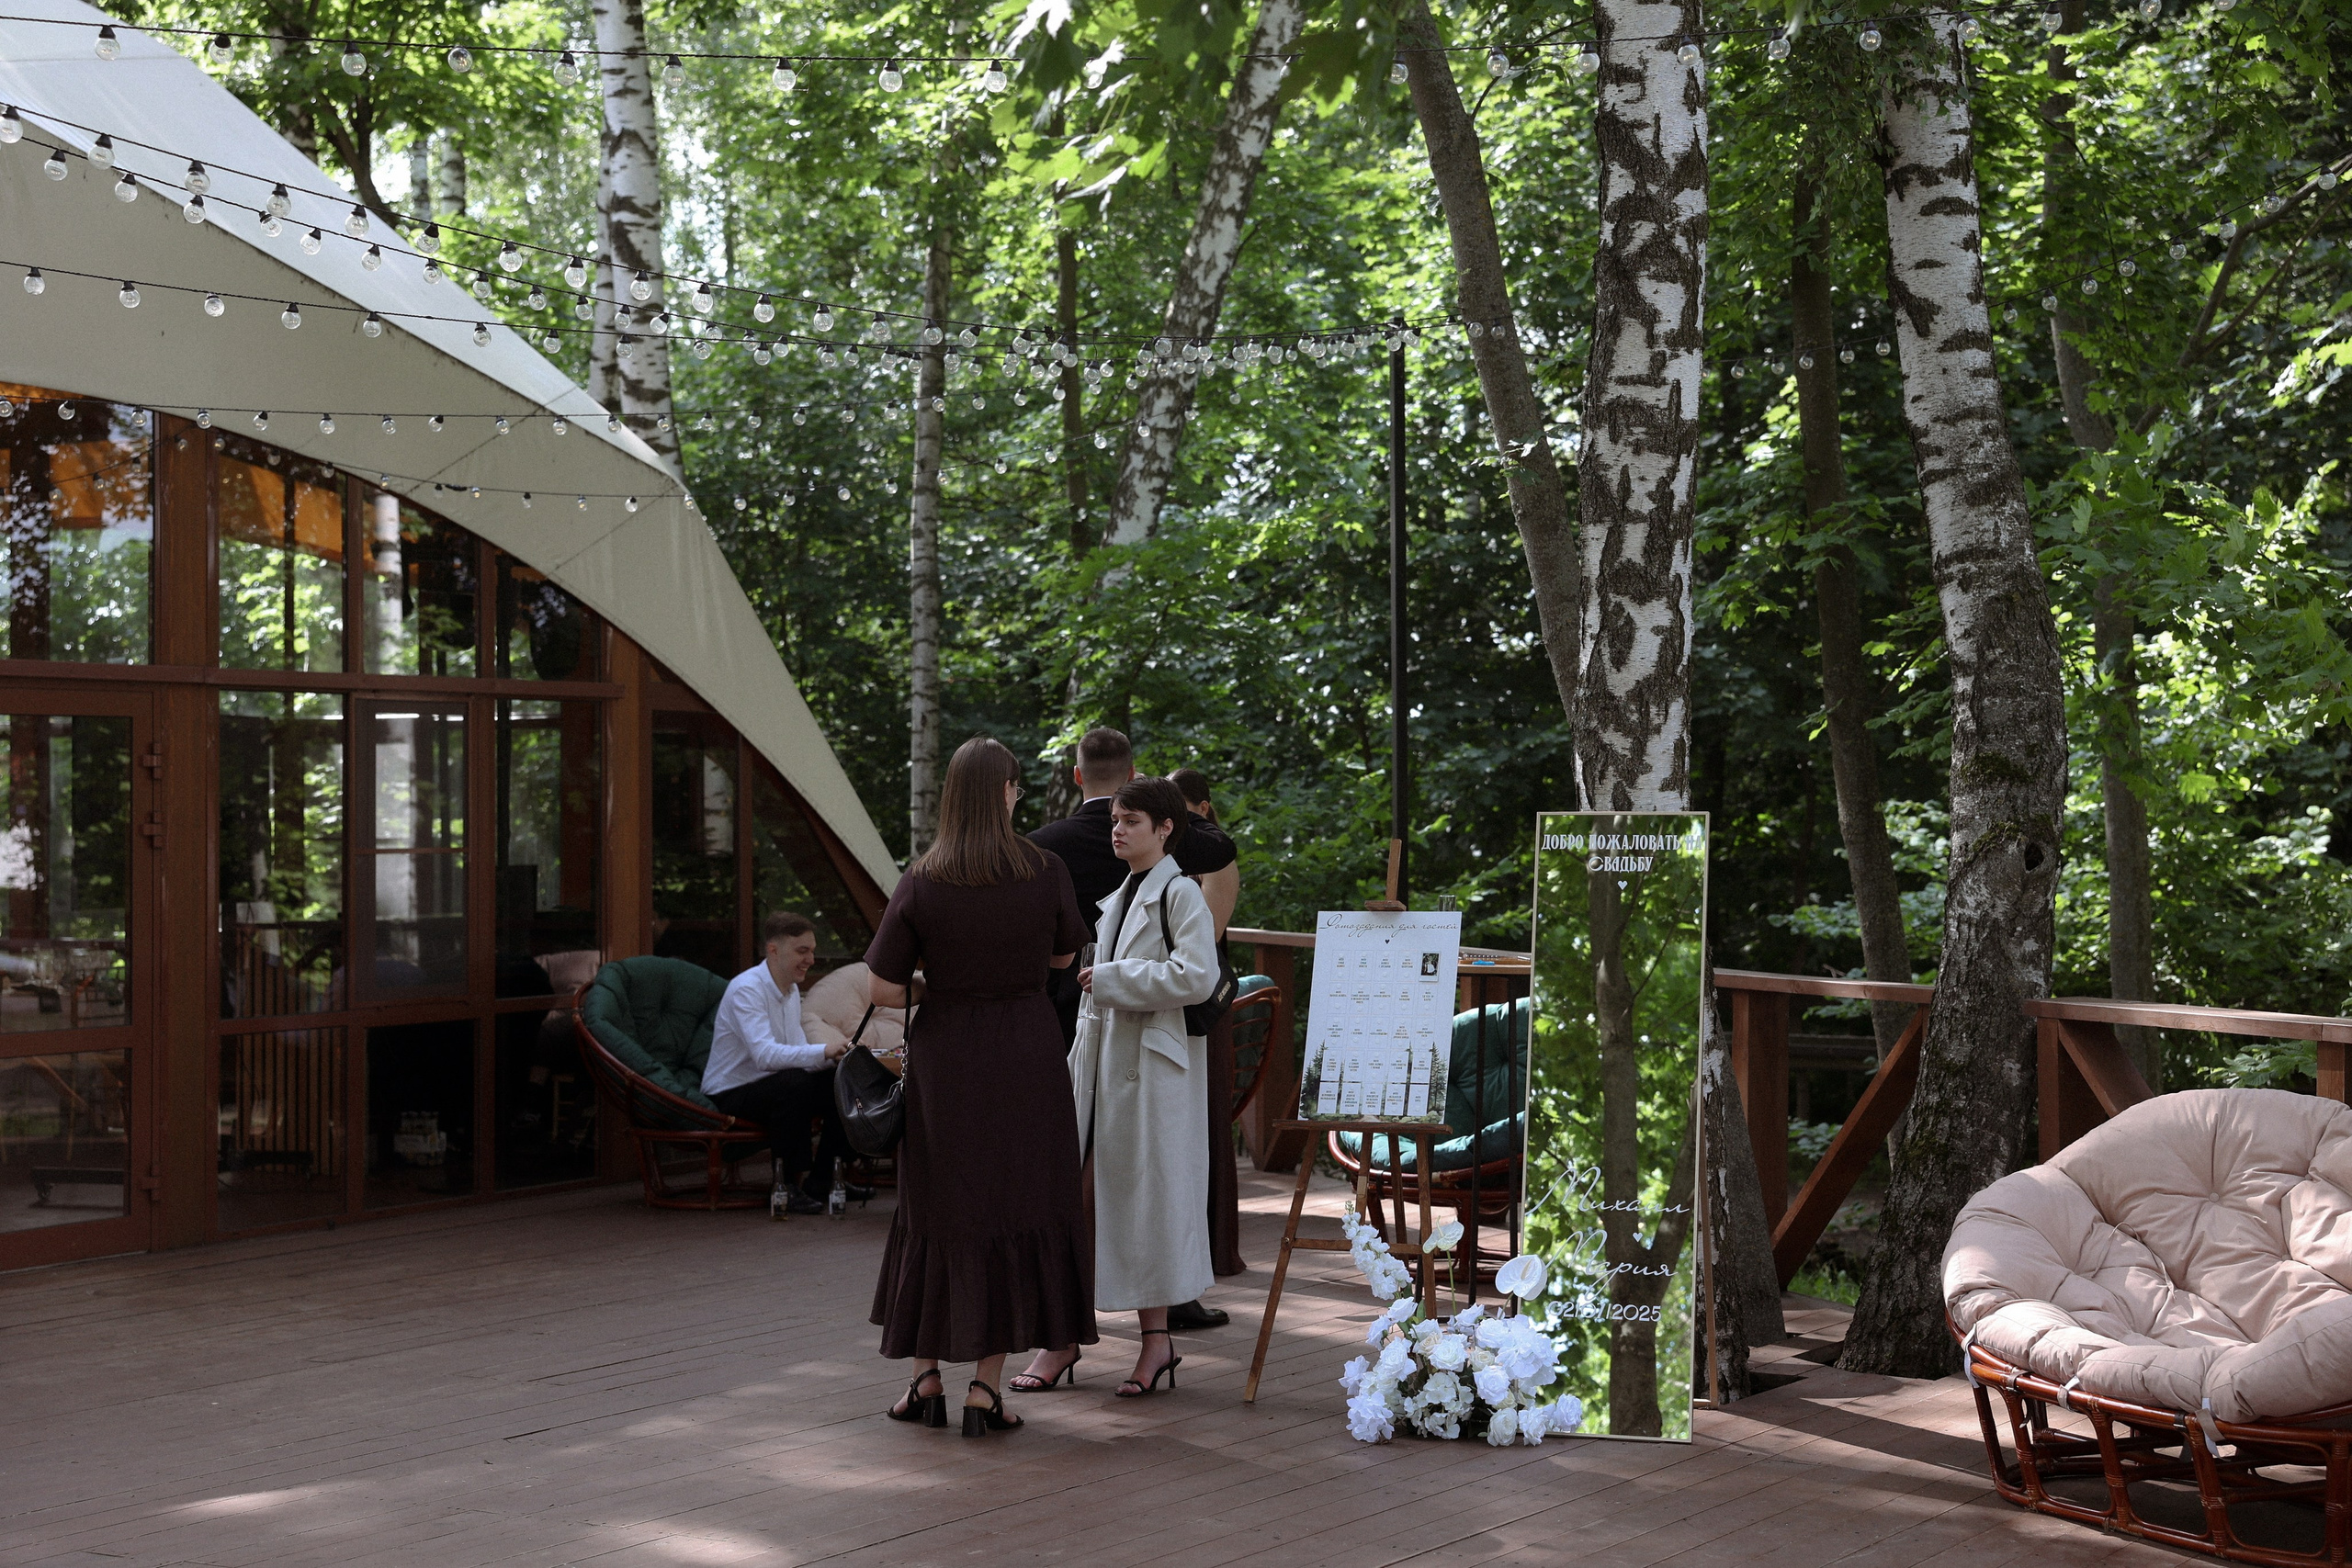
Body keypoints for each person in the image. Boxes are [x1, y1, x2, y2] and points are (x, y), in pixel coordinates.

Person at [865, 737, 1096, 1438]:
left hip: (947, 1059)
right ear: (1005, 792)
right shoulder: (1044, 867)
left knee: (938, 1207)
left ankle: (924, 1378)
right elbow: (1064, 954)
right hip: (1026, 1053)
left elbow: (881, 984)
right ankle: (985, 1390)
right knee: (1013, 1205)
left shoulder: (923, 877)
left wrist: (948, 980)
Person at [1029, 728, 1237, 1335]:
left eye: (1130, 820)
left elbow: (1193, 974)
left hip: (1131, 1041)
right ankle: (1111, 1318)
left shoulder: (1050, 847)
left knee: (1150, 1178)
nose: (1116, 830)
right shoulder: (1125, 888)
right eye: (1116, 818)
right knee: (1114, 1179)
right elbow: (1221, 845)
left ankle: (1135, 1318)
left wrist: (1110, 979)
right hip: (1097, 1041)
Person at [703, 911, 860, 1215]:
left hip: (771, 1085)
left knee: (843, 1081)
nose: (811, 960)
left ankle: (823, 1180)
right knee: (794, 1084)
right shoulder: (747, 989)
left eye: (812, 951)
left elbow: (796, 1051)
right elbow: (765, 1056)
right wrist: (823, 1050)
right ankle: (785, 1186)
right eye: (802, 951)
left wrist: (839, 1058)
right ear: (773, 950)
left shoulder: (789, 991)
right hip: (730, 1093)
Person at [1170, 766, 1247, 1280]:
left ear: (1199, 807)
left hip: (1203, 1000)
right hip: (1169, 995)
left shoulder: (1217, 856)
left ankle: (1215, 1246)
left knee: (1209, 1118)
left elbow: (1210, 930)